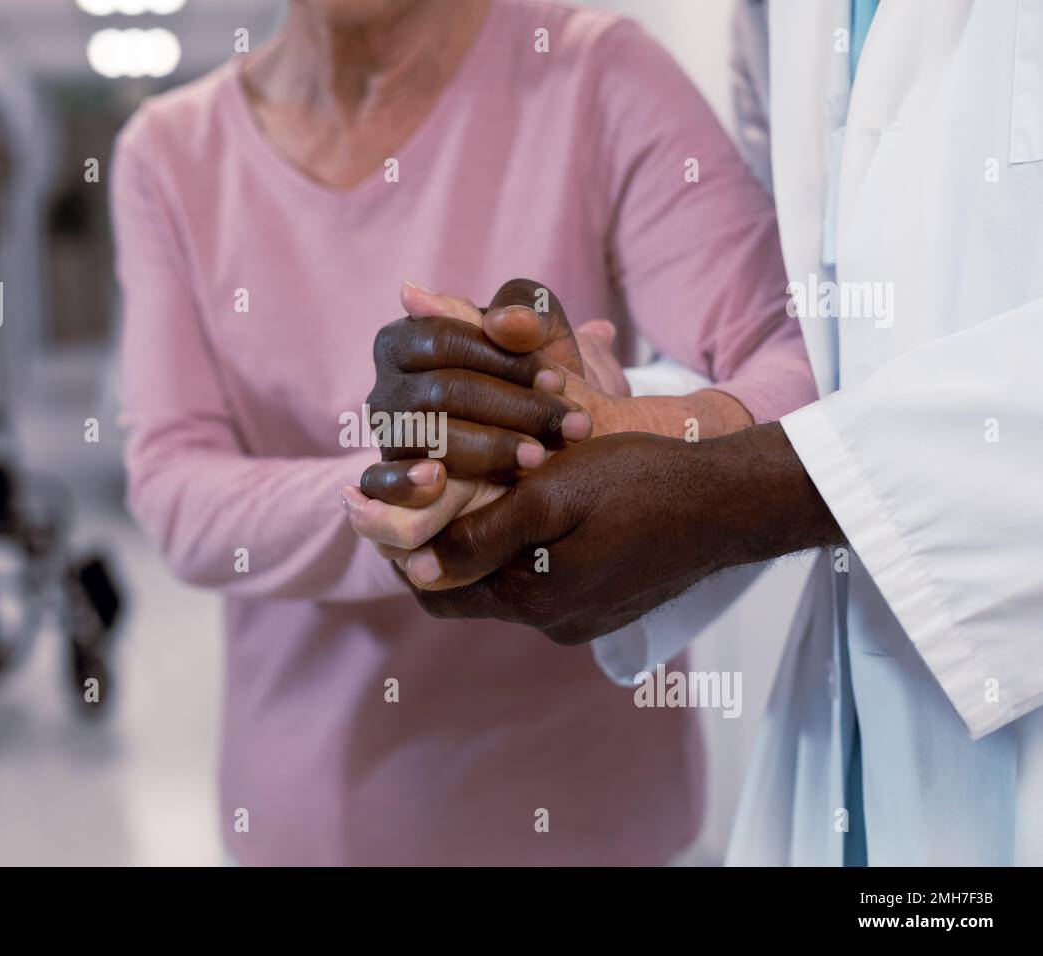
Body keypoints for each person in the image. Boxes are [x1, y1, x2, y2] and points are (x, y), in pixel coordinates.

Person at [111, 0, 815, 864]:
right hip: (316, 820)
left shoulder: (595, 71)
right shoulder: (169, 154)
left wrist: (625, 434)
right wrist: (416, 490)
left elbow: (796, 353)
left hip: (595, 820)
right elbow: (176, 486)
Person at [348, 0, 1043, 865]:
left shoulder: (597, 59)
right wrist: (595, 423)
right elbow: (820, 341)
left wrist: (733, 495)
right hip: (865, 748)